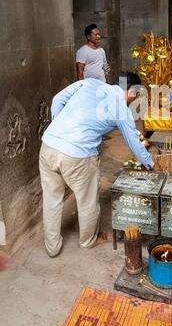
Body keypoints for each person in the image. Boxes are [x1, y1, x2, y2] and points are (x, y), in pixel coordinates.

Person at [39, 72, 154, 258]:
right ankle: (87, 241)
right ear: (132, 92)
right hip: (77, 156)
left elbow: (57, 99)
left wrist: (61, 128)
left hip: (49, 145)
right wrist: (149, 163)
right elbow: (134, 142)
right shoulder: (121, 110)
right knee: (87, 201)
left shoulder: (89, 83)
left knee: (51, 200)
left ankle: (52, 247)